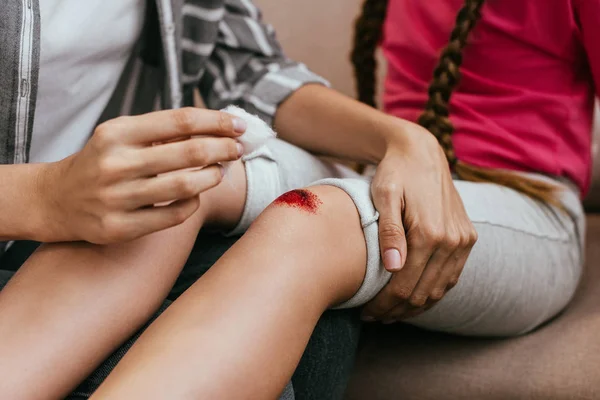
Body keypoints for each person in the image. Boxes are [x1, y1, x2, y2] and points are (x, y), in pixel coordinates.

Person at [44, 0, 588, 398]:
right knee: (180, 168)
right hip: (389, 171)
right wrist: (401, 141)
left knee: (313, 219)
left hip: (525, 198)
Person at [0, 0, 415, 399]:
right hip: (38, 217)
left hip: (83, 226)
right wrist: (41, 195)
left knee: (307, 316)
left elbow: (248, 67)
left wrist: (399, 139)